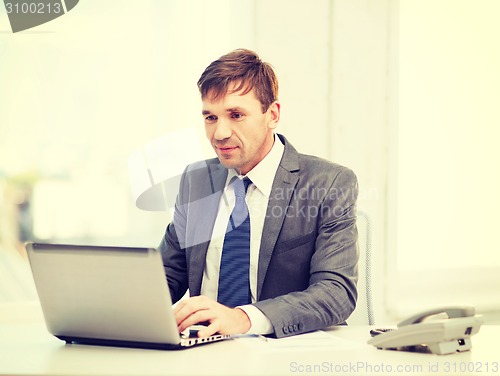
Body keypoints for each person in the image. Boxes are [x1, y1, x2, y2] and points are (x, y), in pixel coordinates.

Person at [159, 49, 359, 339]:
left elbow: (336, 293)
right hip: (202, 352)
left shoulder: (329, 183)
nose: (219, 133)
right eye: (210, 117)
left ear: (272, 115)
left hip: (284, 354)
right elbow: (168, 274)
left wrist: (243, 318)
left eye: (236, 115)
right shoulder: (196, 181)